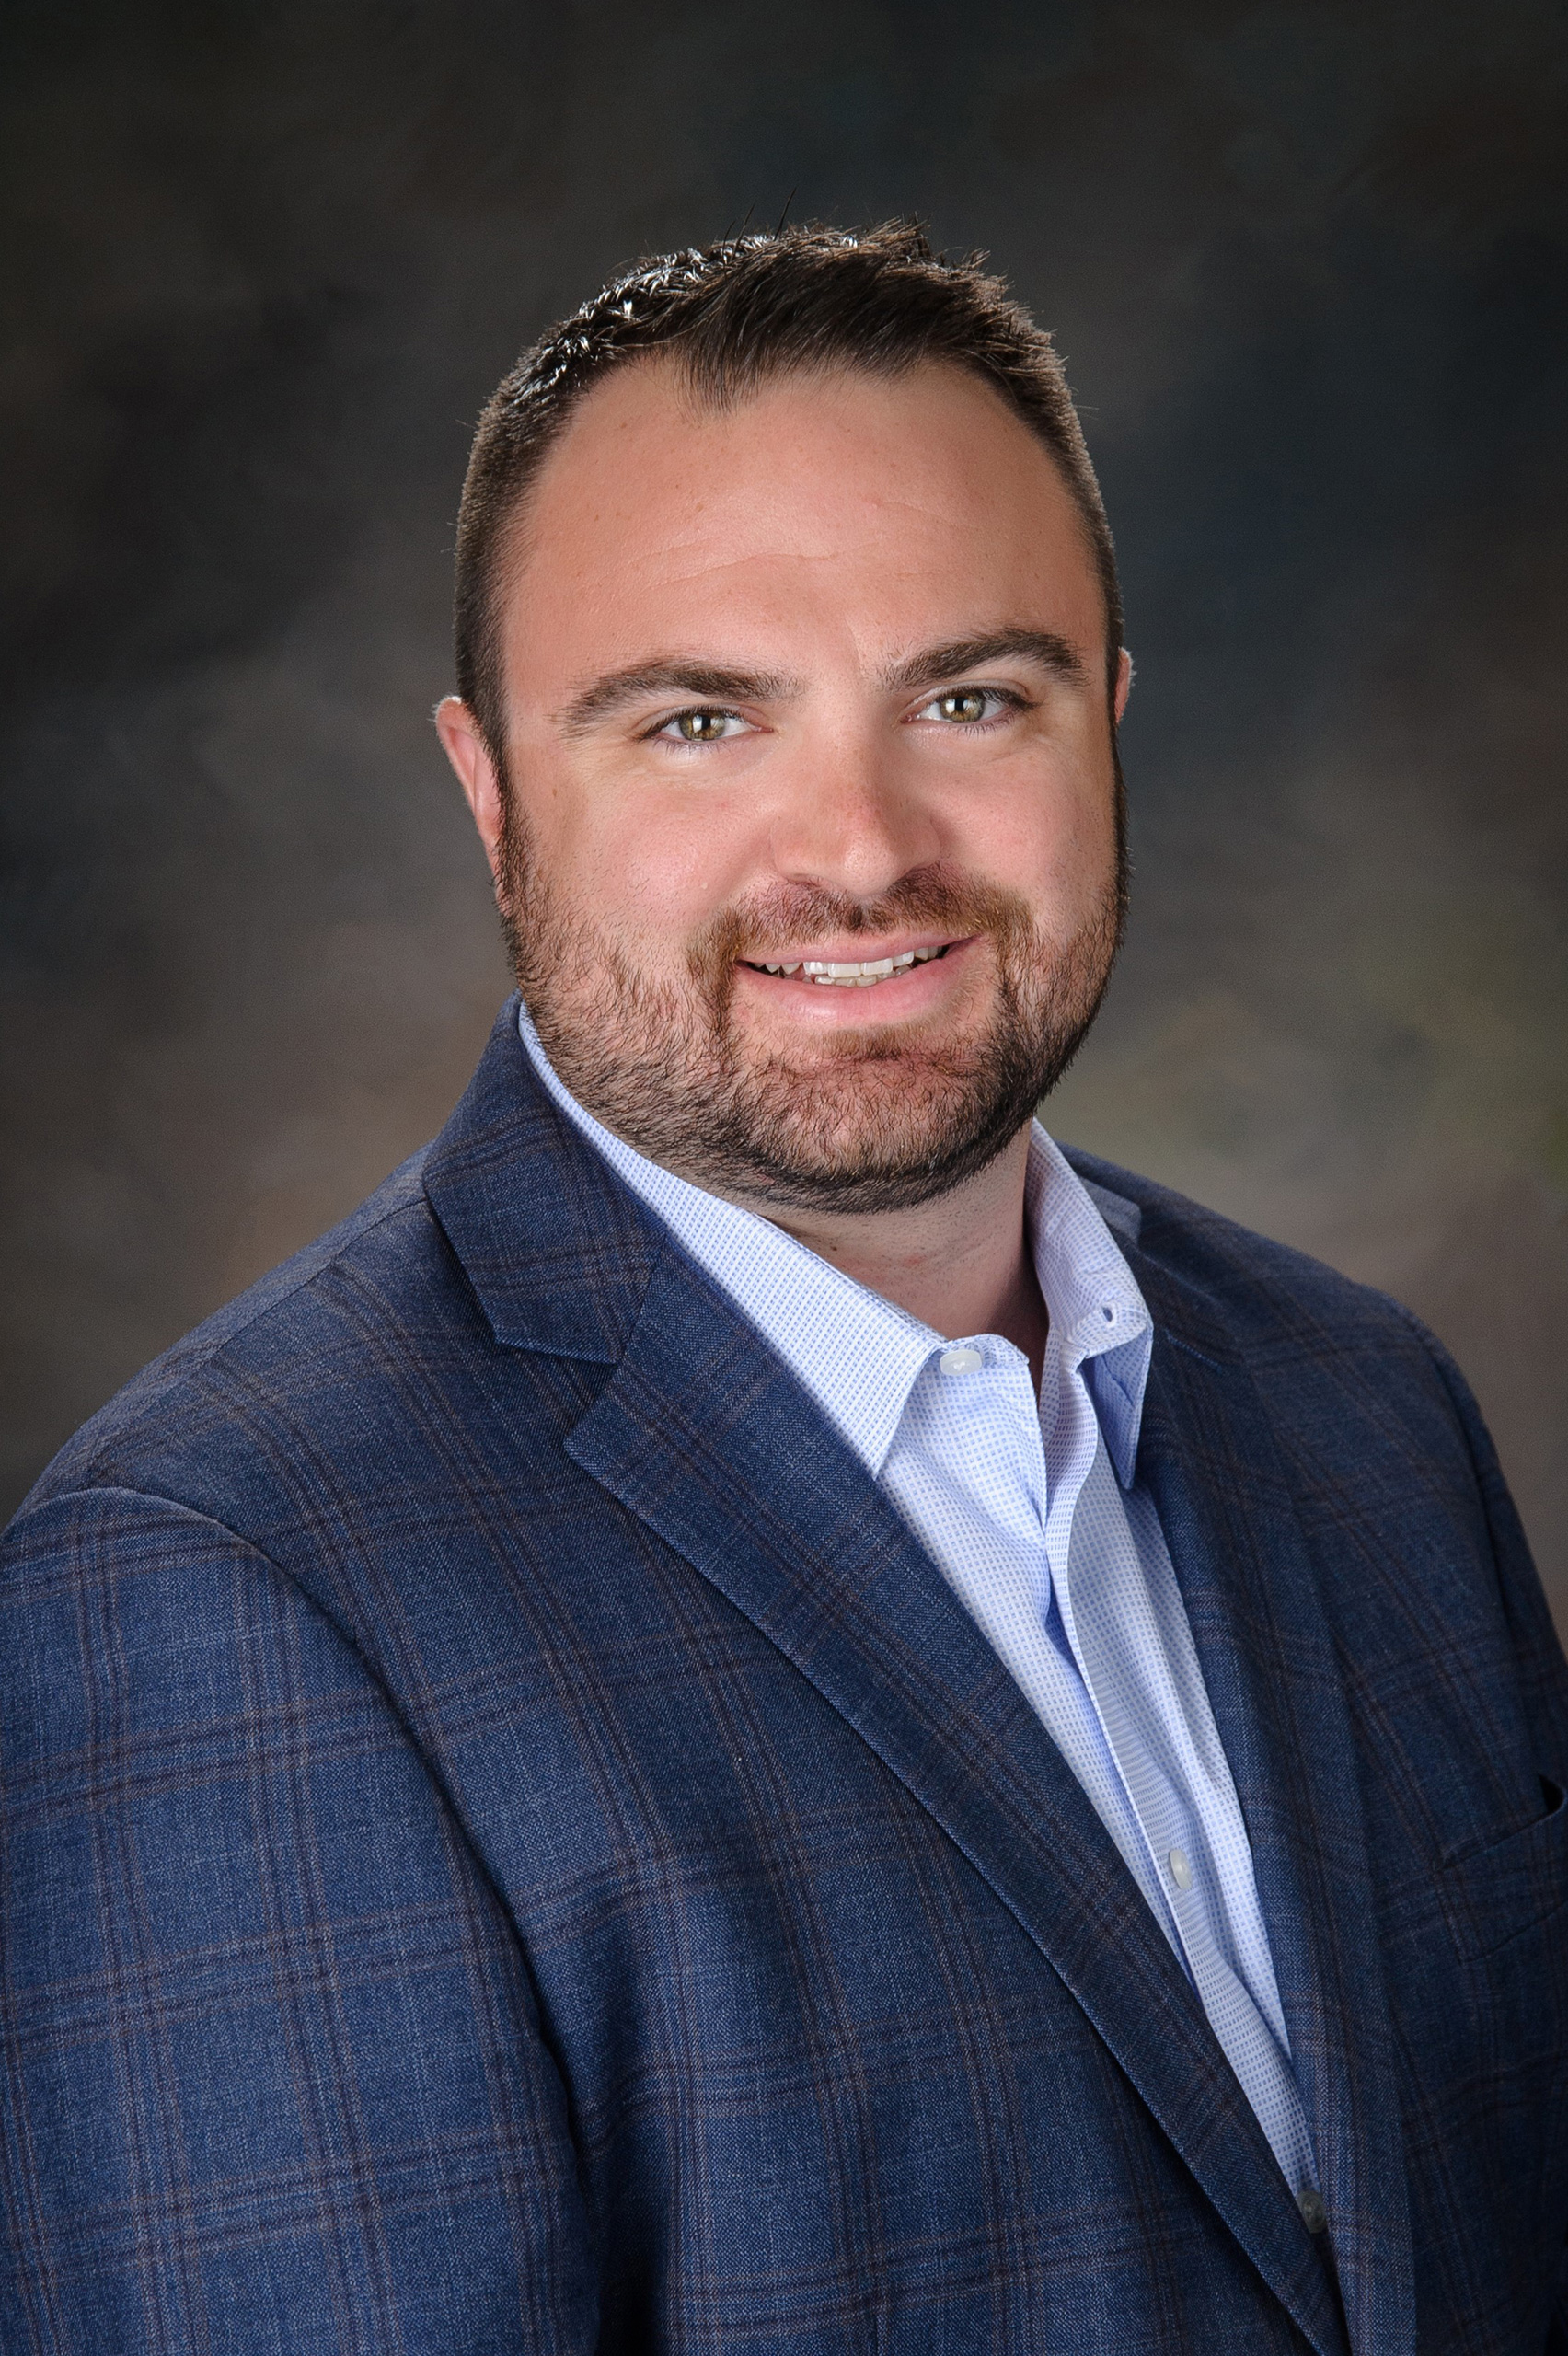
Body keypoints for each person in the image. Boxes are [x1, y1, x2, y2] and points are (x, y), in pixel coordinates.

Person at [2, 222, 1564, 2356]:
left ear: (1107, 720)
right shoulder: (218, 1590)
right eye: (699, 719)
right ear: (490, 791)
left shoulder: (1364, 1404)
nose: (858, 844)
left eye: (971, 697)